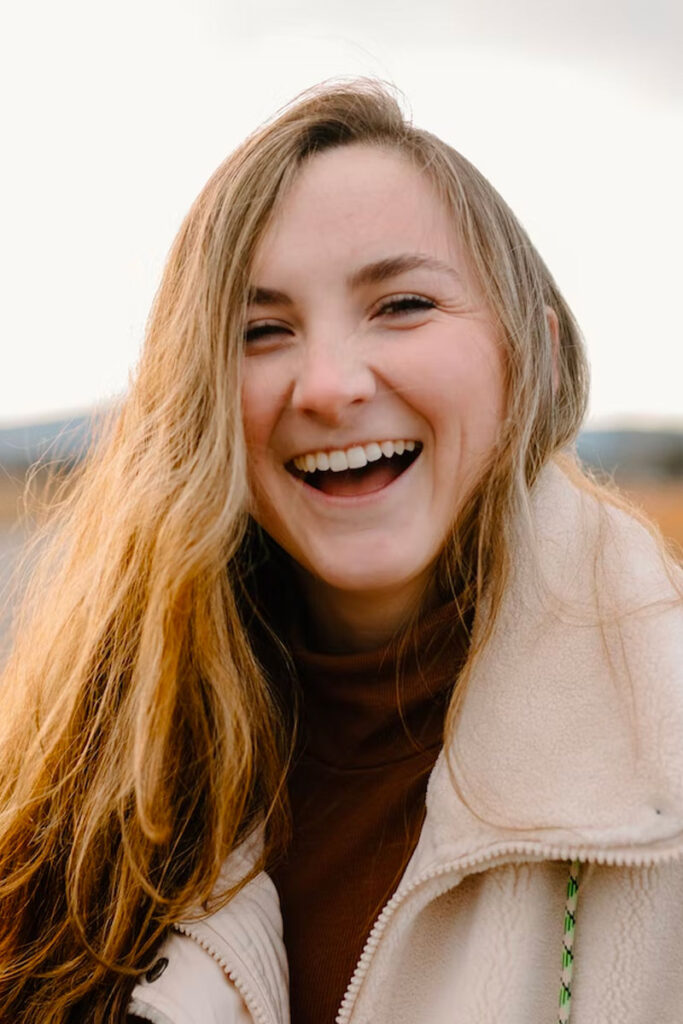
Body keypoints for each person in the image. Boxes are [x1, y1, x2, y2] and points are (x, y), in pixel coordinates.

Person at [0, 79, 682, 1024]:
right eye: (261, 332)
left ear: (537, 355)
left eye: (401, 304)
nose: (326, 385)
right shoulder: (88, 765)